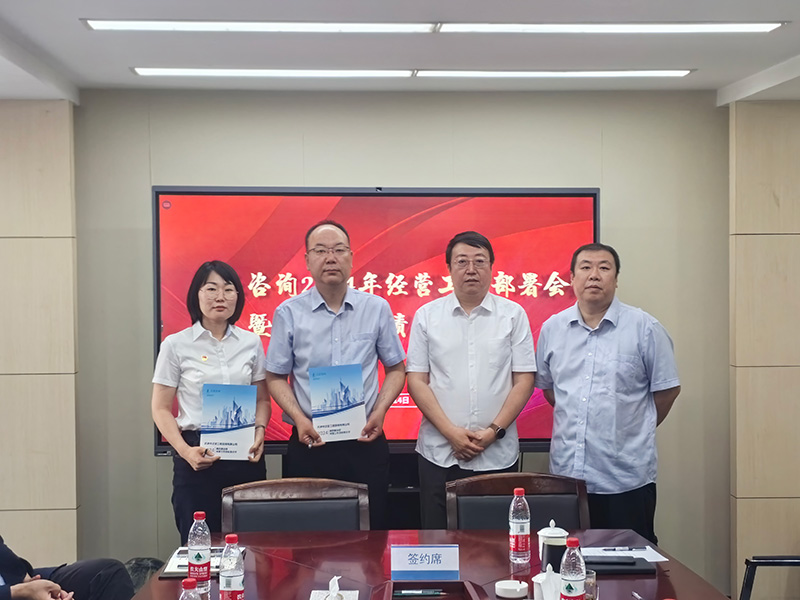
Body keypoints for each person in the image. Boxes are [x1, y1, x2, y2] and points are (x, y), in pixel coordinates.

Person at [535, 243, 681, 544]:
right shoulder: (552, 329)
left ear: (616, 279)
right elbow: (550, 390)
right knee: (567, 561)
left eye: (604, 268)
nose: (594, 275)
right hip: (567, 477)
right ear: (572, 278)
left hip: (625, 478)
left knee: (629, 564)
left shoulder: (645, 328)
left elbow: (667, 390)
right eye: (586, 267)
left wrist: (631, 428)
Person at [265, 220, 406, 530]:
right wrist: (299, 419)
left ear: (351, 258)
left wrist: (380, 411)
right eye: (321, 251)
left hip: (365, 442)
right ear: (307, 260)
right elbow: (274, 376)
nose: (330, 258)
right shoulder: (289, 312)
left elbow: (396, 368)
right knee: (309, 539)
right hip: (310, 443)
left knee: (370, 534)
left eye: (339, 250)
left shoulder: (376, 308)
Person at [406, 231, 537, 529]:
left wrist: (493, 431)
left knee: (494, 545)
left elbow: (524, 380)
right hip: (439, 453)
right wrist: (451, 433)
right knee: (438, 543)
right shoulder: (427, 316)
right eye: (462, 261)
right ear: (449, 268)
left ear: (491, 267)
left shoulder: (513, 315)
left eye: (480, 261)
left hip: (497, 453)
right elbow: (416, 380)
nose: (471, 269)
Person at [151, 260, 271, 543]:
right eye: (212, 289)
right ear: (197, 294)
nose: (220, 297)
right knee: (200, 547)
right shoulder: (175, 344)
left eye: (228, 290)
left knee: (252, 548)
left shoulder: (251, 342)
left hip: (245, 457)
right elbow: (160, 408)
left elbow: (263, 400)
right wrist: (185, 451)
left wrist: (260, 431)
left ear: (237, 297)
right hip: (197, 458)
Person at [0, 534, 134, 600]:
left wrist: (27, 580)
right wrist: (20, 591)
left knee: (109, 573)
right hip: (11, 592)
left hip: (15, 583)